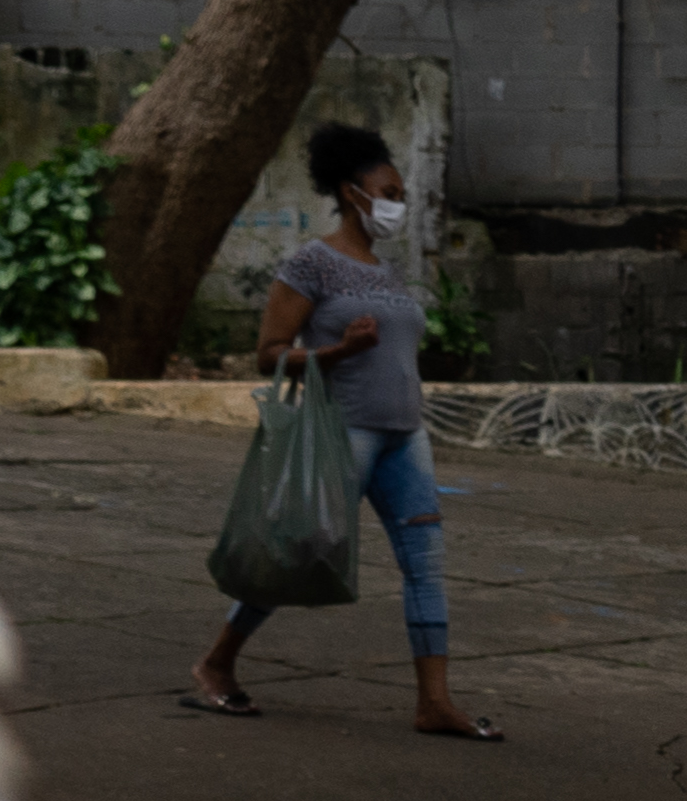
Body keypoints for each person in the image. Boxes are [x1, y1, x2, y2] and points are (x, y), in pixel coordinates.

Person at [188, 124, 496, 740]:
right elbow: (269, 354)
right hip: (342, 434)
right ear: (352, 193)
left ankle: (434, 704)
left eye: (401, 194)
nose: (398, 204)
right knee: (298, 553)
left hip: (406, 438)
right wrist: (338, 351)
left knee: (426, 565)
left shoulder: (387, 272)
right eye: (389, 192)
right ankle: (216, 663)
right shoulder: (312, 263)